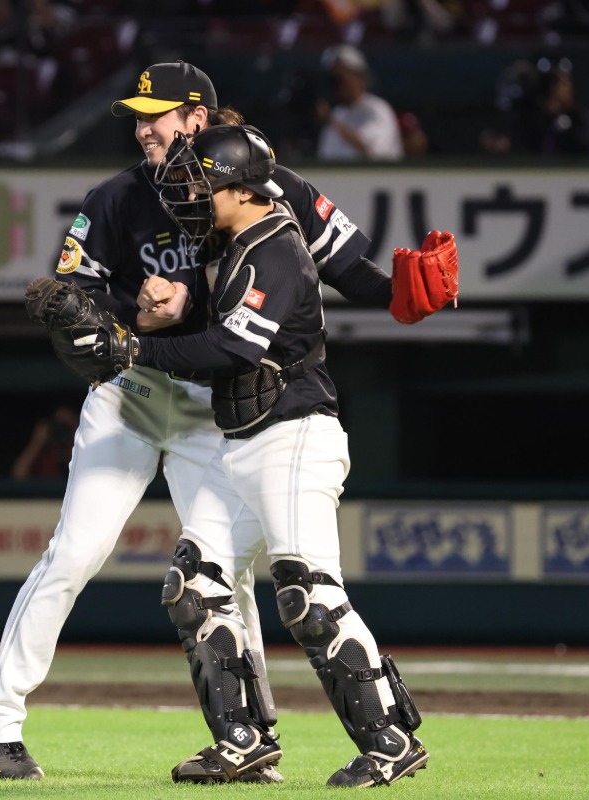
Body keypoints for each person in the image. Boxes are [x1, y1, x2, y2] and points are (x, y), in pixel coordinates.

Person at [0, 60, 401, 782]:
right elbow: (73, 305)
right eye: (137, 118)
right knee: (74, 553)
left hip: (214, 404)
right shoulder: (115, 199)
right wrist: (133, 315)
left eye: (156, 114)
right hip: (132, 395)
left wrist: (402, 294)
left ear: (199, 117)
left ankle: (248, 741)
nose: (142, 129)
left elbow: (346, 265)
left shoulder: (261, 179)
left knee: (217, 580)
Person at [117, 123, 429, 787]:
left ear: (241, 187)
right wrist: (163, 307)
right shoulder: (231, 244)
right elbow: (213, 317)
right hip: (242, 442)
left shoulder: (277, 246)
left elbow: (233, 352)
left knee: (309, 597)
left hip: (294, 436)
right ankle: (244, 741)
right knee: (193, 587)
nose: (190, 196)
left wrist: (136, 351)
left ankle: (391, 741)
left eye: (204, 185)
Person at [315, 44, 403, 162]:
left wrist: (331, 121)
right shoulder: (337, 113)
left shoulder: (377, 108)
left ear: (360, 76)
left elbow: (372, 152)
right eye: (333, 77)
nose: (338, 82)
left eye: (342, 75)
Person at [9, 403, 79, 480]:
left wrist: (74, 440)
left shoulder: (82, 452)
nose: (61, 430)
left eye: (65, 426)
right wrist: (37, 441)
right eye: (57, 425)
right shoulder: (44, 453)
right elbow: (18, 476)